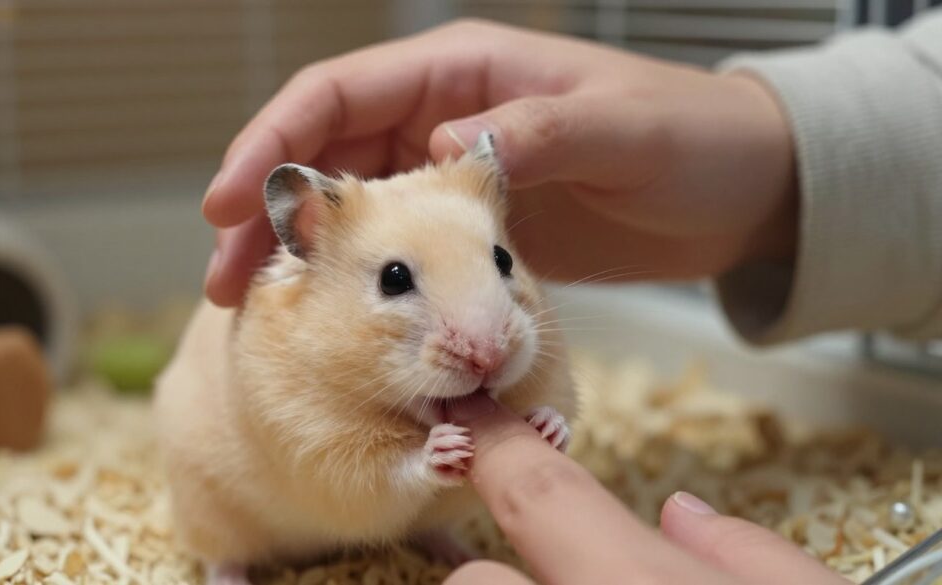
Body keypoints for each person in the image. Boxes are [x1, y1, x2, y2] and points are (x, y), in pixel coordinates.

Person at [201, 12, 942, 584]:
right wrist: (409, 470)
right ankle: (219, 556)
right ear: (306, 233)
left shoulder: (512, 325)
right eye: (396, 281)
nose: (488, 345)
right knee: (224, 510)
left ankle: (425, 526)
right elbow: (329, 486)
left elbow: (545, 385)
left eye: (498, 261)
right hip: (254, 506)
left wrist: (548, 416)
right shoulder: (281, 350)